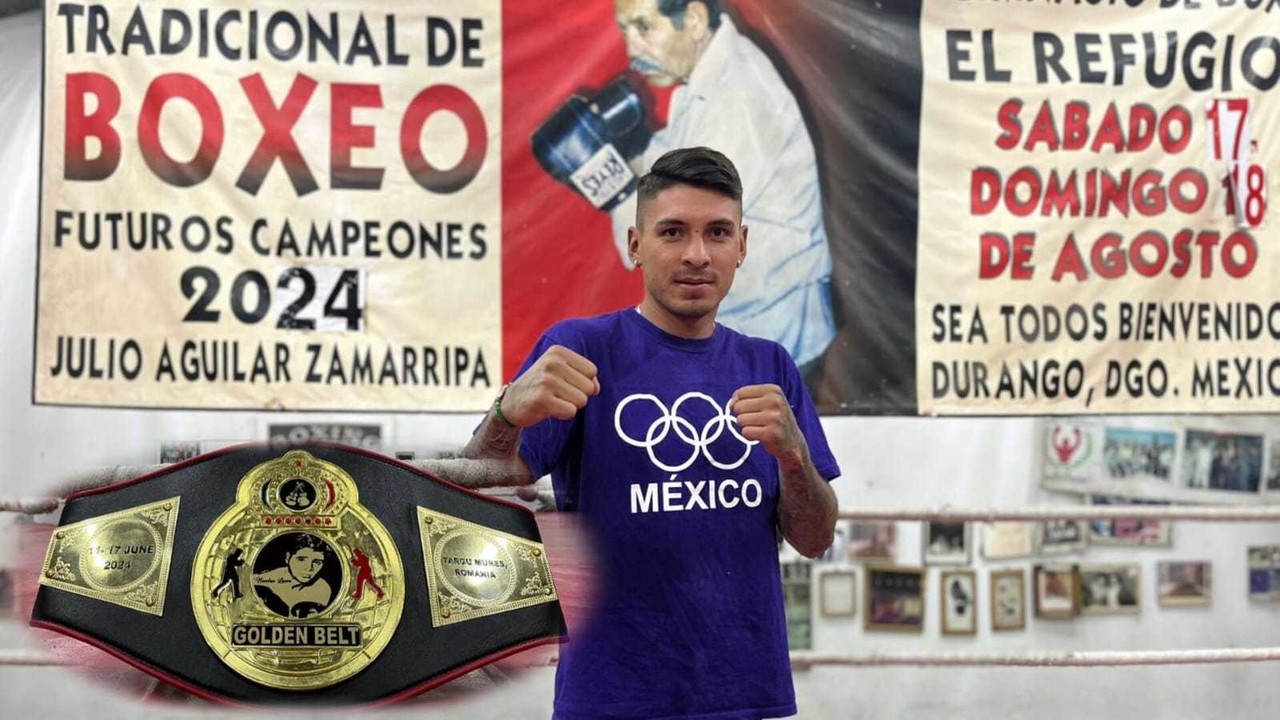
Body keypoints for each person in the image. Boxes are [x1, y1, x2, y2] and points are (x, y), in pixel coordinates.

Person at [463, 147, 839, 719]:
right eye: (672, 232)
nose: (696, 254)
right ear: (636, 245)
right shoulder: (582, 348)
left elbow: (814, 539)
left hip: (742, 693)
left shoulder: (771, 365)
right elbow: (478, 491)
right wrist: (505, 414)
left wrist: (794, 458)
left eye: (717, 233)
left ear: (742, 245)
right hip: (611, 694)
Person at [608, 0, 836, 372]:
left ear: (695, 20)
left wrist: (615, 192)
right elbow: (676, 157)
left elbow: (681, 214)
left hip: (773, 334)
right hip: (750, 323)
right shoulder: (710, 75)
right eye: (625, 32)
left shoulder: (737, 94)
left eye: (644, 28)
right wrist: (625, 161)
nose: (633, 49)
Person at [252, 534, 335, 618]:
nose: (309, 568)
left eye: (317, 562)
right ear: (288, 558)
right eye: (301, 560)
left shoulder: (322, 589)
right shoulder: (263, 580)